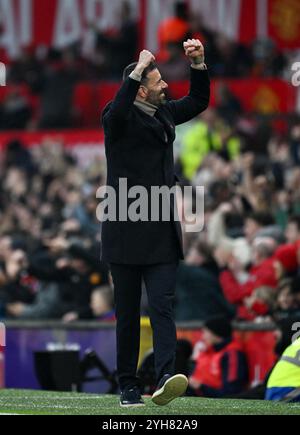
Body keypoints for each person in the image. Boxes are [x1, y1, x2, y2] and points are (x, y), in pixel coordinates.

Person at [101, 39, 210, 407]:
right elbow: (118, 112)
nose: (166, 86)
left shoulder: (163, 113)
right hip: (125, 227)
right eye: (159, 81)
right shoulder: (116, 118)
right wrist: (135, 70)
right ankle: (128, 386)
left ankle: (165, 375)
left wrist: (198, 64)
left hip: (161, 227)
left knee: (162, 305)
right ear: (140, 88)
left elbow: (197, 102)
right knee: (128, 314)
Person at [188, 316, 248, 398]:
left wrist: (201, 387)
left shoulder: (232, 355)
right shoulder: (208, 350)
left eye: (205, 332)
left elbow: (231, 391)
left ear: (216, 334)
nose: (203, 337)